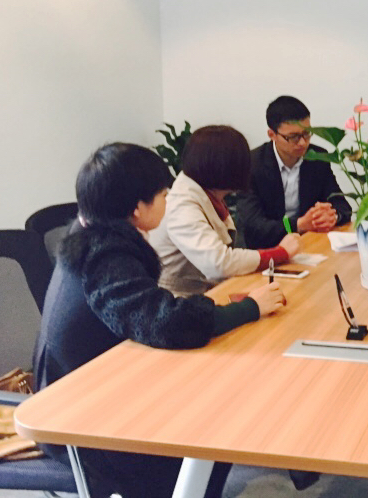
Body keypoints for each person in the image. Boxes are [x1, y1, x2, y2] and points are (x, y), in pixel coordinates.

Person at [33, 142, 287, 498]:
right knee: (216, 415)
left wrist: (219, 309)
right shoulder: (104, 256)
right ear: (137, 208)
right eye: (164, 195)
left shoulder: (91, 237)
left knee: (213, 401)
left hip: (105, 388)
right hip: (82, 423)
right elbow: (164, 323)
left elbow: (146, 310)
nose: (168, 202)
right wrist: (250, 309)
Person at [149, 125, 300, 296]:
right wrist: (280, 253)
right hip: (179, 299)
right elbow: (217, 263)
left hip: (208, 291)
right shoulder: (182, 205)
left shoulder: (207, 193)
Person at [237, 95, 352, 249]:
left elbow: (342, 205)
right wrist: (299, 224)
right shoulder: (251, 164)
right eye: (293, 137)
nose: (303, 143)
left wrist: (332, 216)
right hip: (266, 248)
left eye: (307, 134)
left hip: (308, 243)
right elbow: (253, 226)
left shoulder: (317, 157)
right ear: (272, 135)